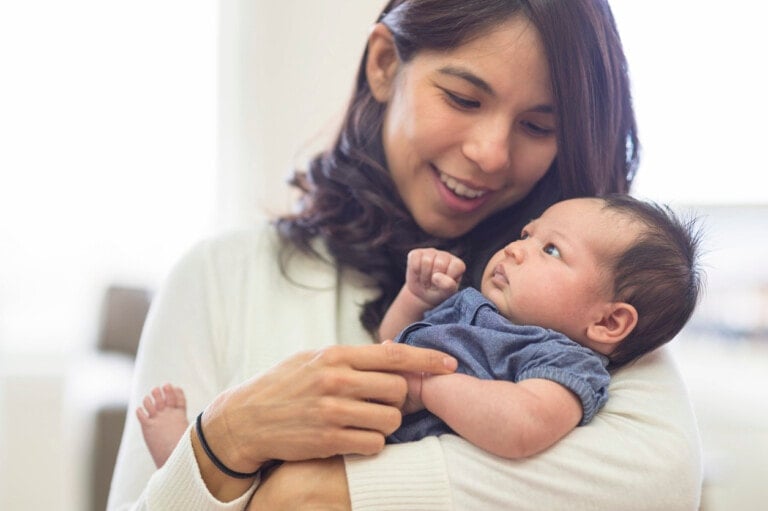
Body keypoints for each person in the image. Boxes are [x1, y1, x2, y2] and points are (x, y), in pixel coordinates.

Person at [107, 1, 705, 510]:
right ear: (386, 65)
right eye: (464, 99)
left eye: (536, 126)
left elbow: (661, 478)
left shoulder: (583, 311)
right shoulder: (220, 276)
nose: (491, 153)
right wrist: (224, 439)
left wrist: (309, 493)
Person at [135, 195, 702, 465]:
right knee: (277, 443)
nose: (518, 249)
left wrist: (428, 384)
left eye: (550, 249)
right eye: (529, 234)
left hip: (389, 457)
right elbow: (391, 343)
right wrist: (415, 300)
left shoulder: (563, 362)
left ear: (607, 321)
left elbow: (522, 428)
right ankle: (189, 455)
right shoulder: (473, 307)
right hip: (356, 420)